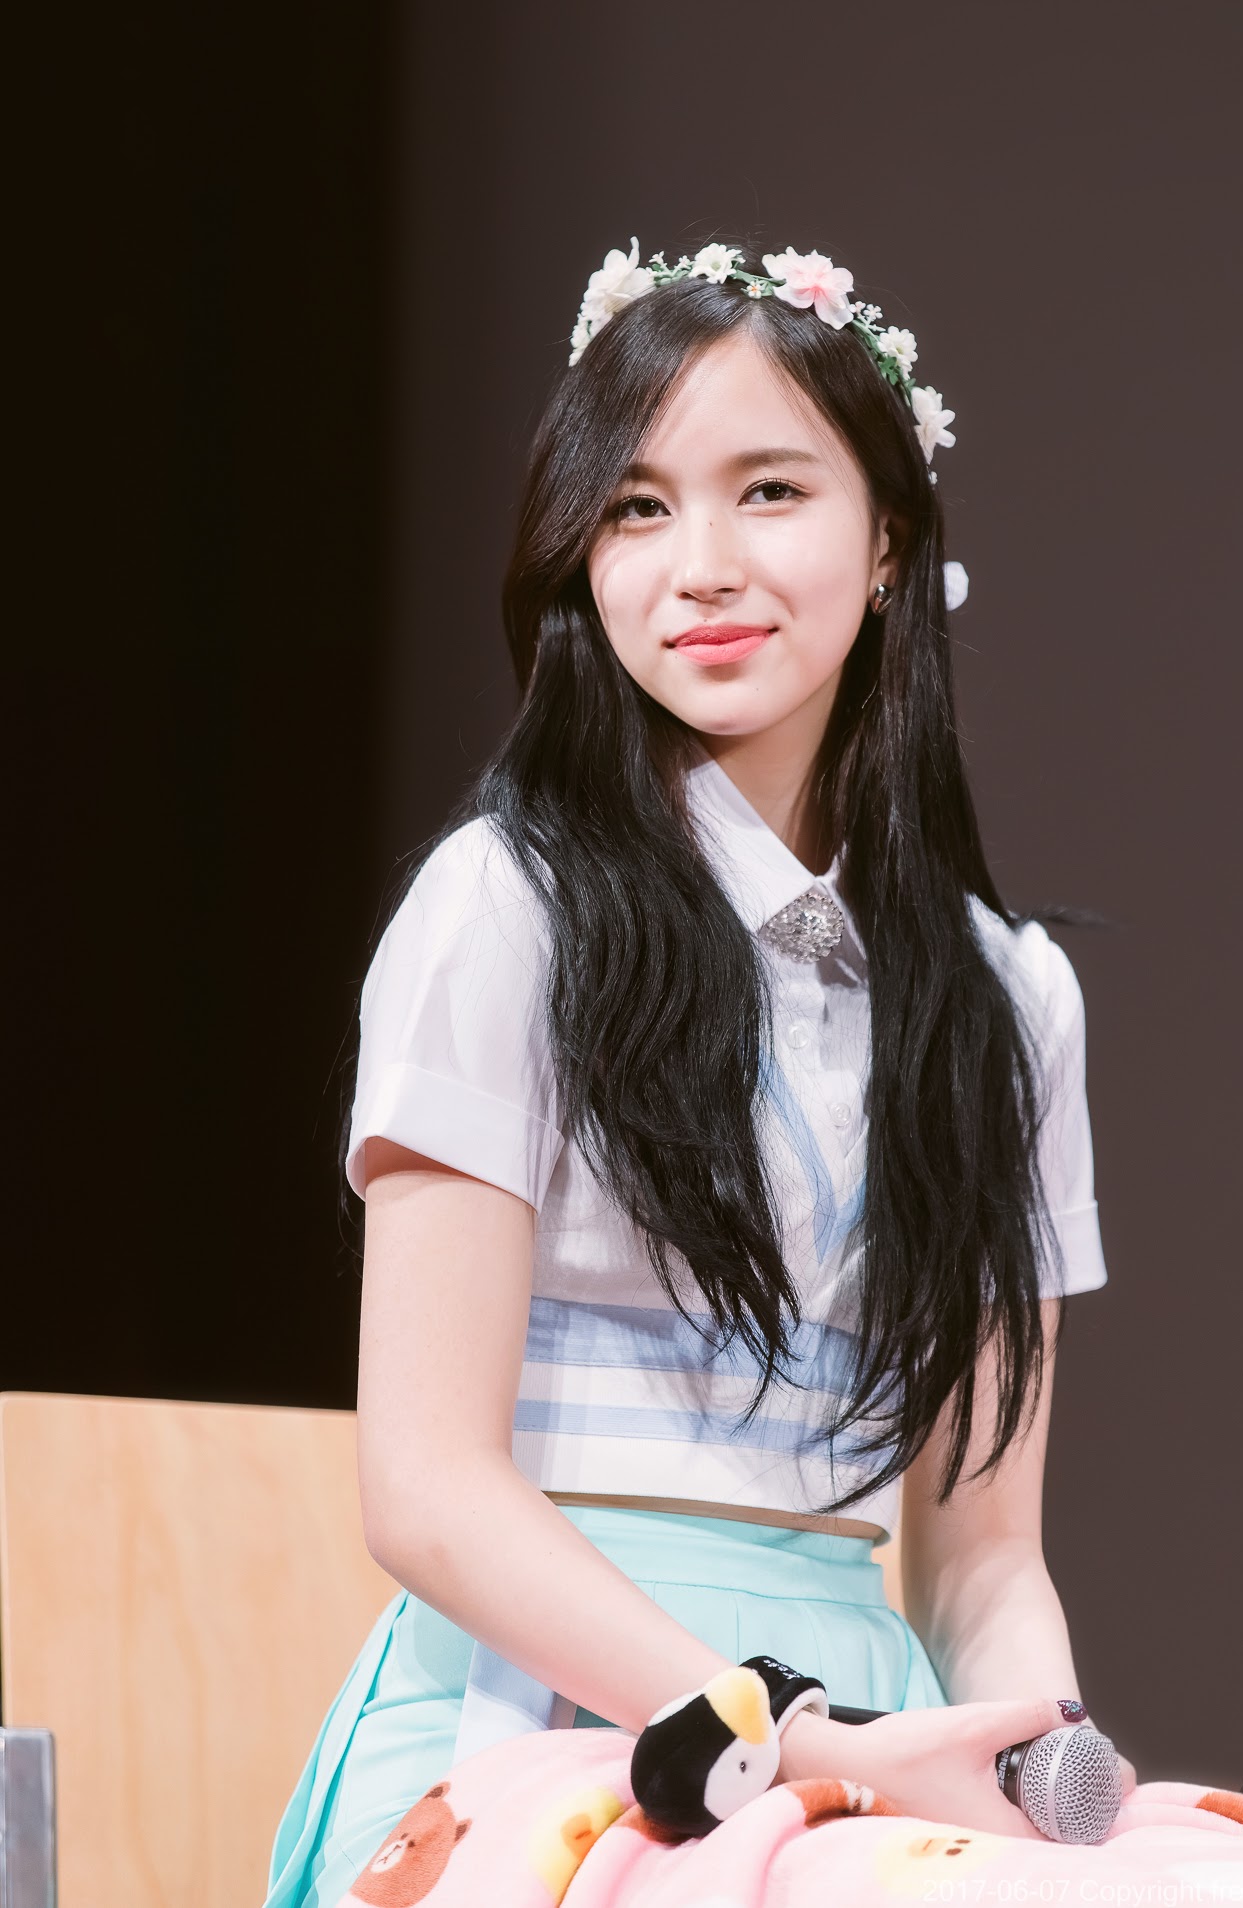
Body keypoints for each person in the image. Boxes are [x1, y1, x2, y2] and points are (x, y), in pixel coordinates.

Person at [263, 241, 1133, 1908]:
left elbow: (983, 1559)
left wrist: (1044, 1770)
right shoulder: (504, 909)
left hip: (873, 1740)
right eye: (638, 508)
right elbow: (427, 1489)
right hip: (552, 1715)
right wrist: (786, 1739)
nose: (702, 565)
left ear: (890, 542)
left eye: (770, 490)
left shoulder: (1010, 1003)